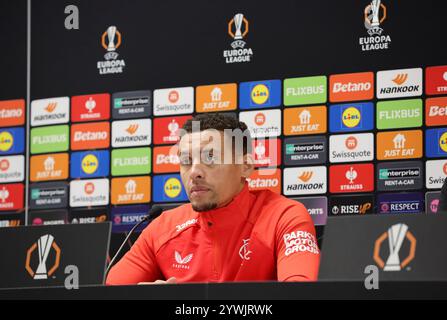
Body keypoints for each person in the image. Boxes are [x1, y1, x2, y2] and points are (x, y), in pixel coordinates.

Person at [106, 113, 320, 284]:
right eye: (186, 161)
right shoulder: (163, 227)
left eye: (210, 158)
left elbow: (300, 294)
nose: (194, 172)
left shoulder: (284, 217)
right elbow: (111, 292)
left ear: (245, 167)